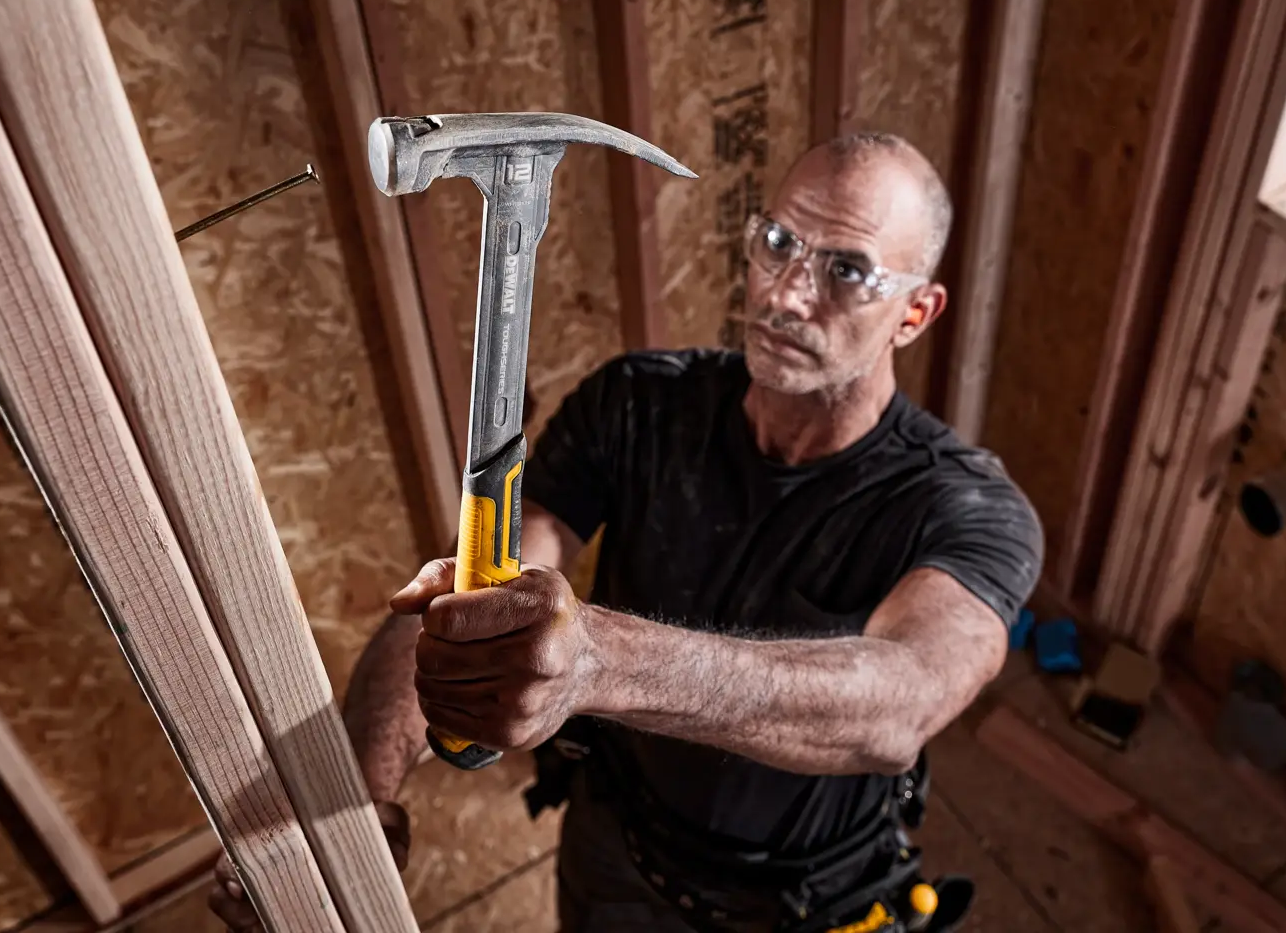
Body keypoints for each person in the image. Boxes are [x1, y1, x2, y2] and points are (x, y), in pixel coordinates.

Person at [210, 132, 1041, 932]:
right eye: (779, 242)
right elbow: (478, 593)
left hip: (801, 905)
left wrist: (597, 662)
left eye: (848, 270)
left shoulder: (967, 505)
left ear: (915, 312)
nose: (788, 294)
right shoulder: (640, 402)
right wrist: (358, 796)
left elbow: (903, 700)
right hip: (615, 852)